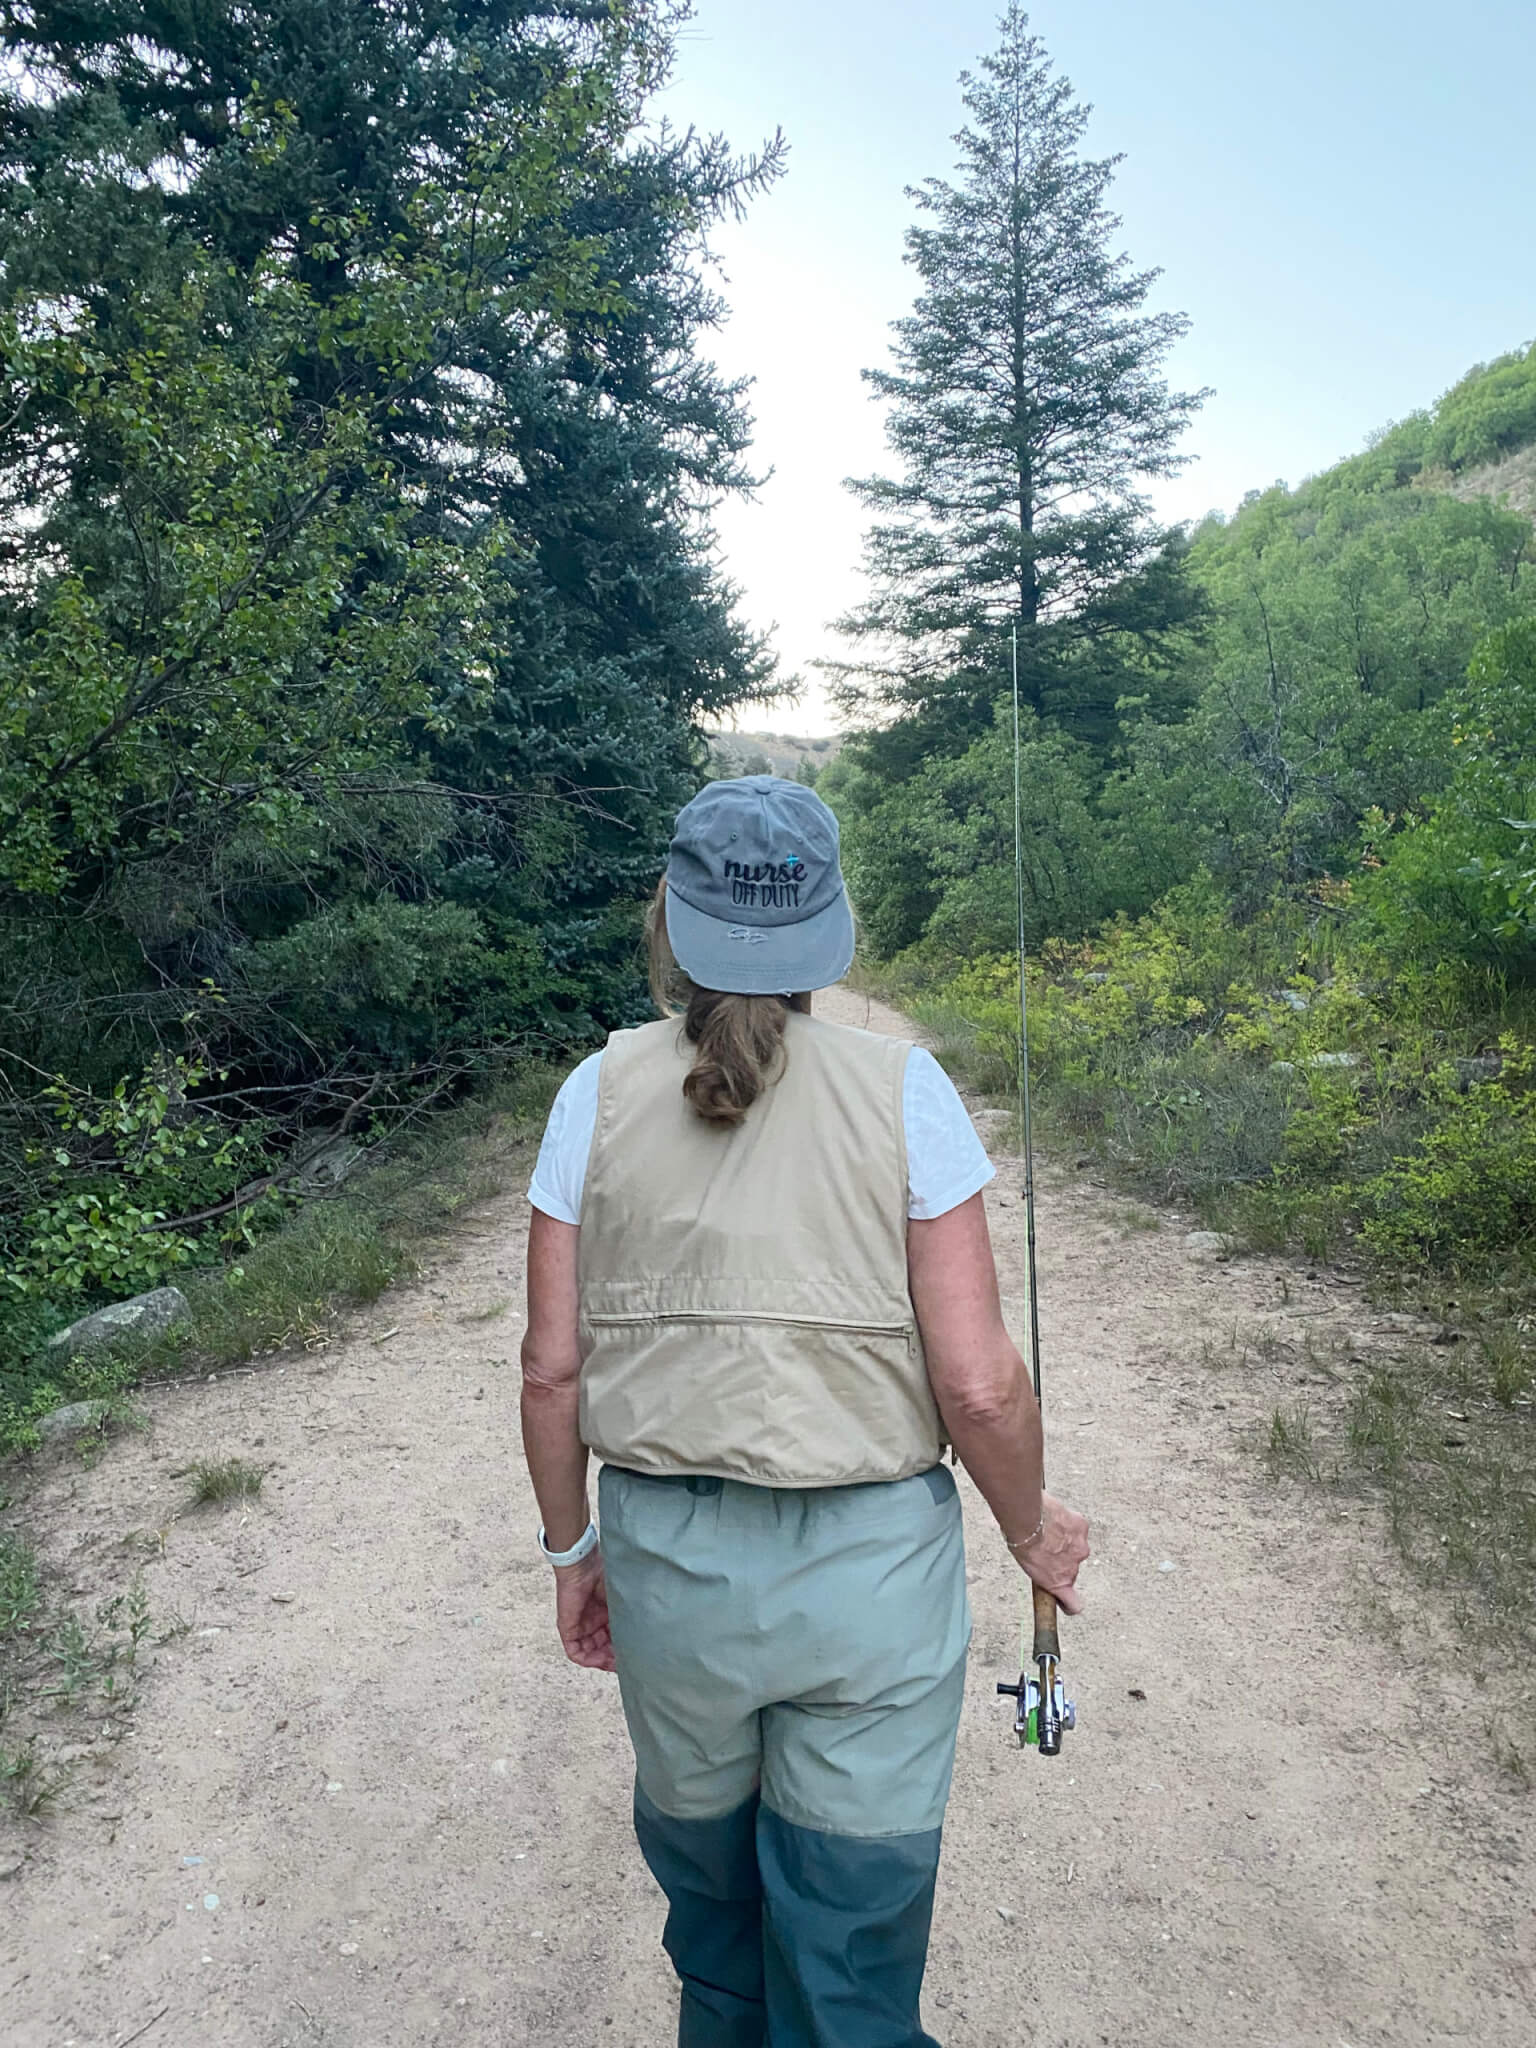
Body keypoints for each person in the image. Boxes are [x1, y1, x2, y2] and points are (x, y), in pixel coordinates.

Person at [520, 774, 1090, 2048]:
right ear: (830, 929)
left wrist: (574, 1554)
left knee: (717, 1937)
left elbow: (551, 1371)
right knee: (846, 1963)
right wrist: (1030, 1528)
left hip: (670, 1572)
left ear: (668, 917)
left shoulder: (592, 1095)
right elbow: (981, 1381)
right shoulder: (908, 1094)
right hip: (870, 1582)